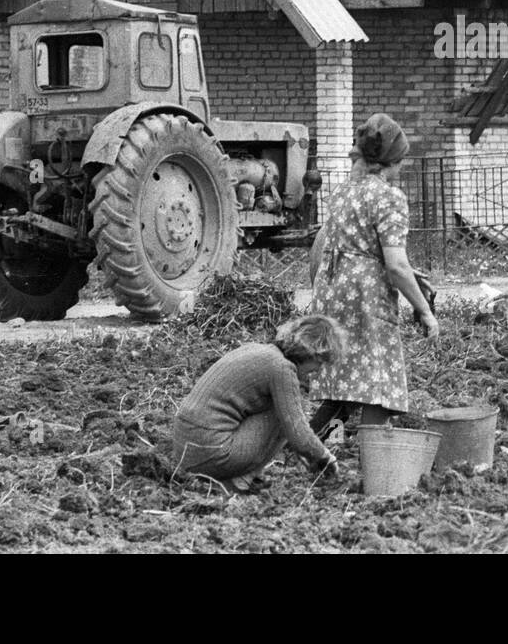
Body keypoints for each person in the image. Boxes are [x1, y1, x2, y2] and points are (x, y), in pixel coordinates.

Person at [307, 113, 439, 439]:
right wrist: (423, 310)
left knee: (342, 382)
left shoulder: (342, 192)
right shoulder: (389, 197)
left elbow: (340, 245)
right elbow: (395, 266)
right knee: (377, 383)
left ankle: (308, 448)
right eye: (401, 160)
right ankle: (377, 465)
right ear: (393, 160)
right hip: (364, 298)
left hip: (332, 288)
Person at [172, 314, 345, 491]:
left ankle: (230, 478)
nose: (317, 370)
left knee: (286, 408)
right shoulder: (282, 368)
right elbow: (297, 432)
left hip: (185, 450)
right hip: (210, 453)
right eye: (320, 362)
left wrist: (304, 447)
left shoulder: (258, 350)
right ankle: (238, 482)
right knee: (287, 411)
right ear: (310, 352)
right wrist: (325, 456)